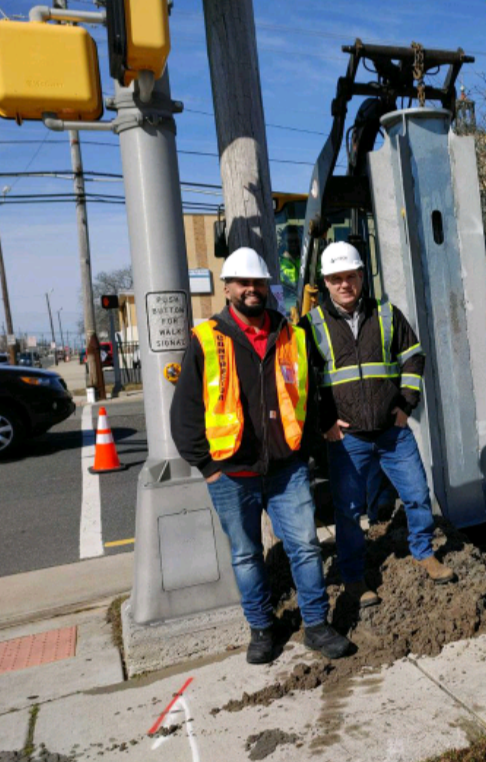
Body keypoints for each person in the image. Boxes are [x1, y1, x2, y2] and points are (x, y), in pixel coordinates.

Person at [170, 247, 351, 664]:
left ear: (267, 286)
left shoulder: (293, 335)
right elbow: (184, 415)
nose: (251, 289)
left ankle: (317, 626)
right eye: (243, 283)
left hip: (287, 470)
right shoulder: (206, 340)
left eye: (257, 282)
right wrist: (209, 468)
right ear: (228, 287)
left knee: (305, 546)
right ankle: (262, 629)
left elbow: (307, 398)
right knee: (247, 555)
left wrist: (303, 451)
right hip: (231, 473)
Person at [304, 242, 455, 611]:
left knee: (418, 494)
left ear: (361, 276)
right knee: (349, 511)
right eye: (336, 278)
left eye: (351, 276)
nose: (345, 284)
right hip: (347, 437)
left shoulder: (386, 315)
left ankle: (423, 552)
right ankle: (354, 576)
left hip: (392, 431)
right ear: (325, 282)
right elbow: (301, 380)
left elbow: (413, 358)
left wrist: (406, 405)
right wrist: (324, 423)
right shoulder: (311, 325)